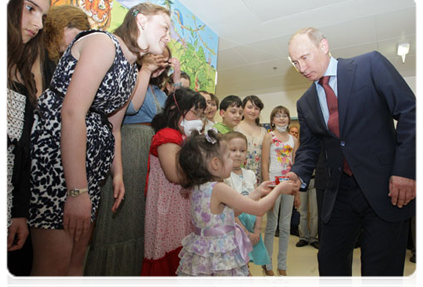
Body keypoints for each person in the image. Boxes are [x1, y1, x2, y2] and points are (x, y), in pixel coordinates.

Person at [27, 2, 172, 287]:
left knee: (77, 260)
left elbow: (114, 128)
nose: (169, 37)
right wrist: (77, 190)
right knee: (52, 266)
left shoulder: (131, 68)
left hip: (92, 168)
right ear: (141, 20)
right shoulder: (104, 43)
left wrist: (117, 173)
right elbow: (72, 113)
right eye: (165, 27)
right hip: (59, 160)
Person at [287, 27, 419, 287]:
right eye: (294, 63)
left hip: (385, 187)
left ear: (323, 46)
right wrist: (297, 173)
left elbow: (410, 113)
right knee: (330, 265)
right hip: (337, 195)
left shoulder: (369, 65)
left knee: (382, 272)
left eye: (304, 57)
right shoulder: (305, 102)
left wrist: (405, 171)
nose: (301, 68)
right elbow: (310, 148)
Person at [83, 47, 177, 286]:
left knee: (141, 220)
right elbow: (131, 108)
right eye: (157, 56)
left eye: (164, 60)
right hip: (130, 149)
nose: (160, 63)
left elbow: (177, 119)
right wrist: (146, 70)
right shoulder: (128, 76)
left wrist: (175, 79)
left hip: (153, 156)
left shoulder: (161, 91)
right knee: (124, 218)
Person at [175, 130, 299, 286]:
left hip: (204, 253)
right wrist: (279, 189)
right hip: (220, 255)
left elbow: (228, 213)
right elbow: (259, 209)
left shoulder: (198, 187)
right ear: (215, 163)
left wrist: (257, 192)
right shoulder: (219, 188)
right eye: (228, 156)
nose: (232, 159)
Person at [140, 88, 207, 287]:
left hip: (183, 207)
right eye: (195, 112)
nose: (199, 118)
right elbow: (175, 175)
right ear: (175, 109)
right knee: (170, 256)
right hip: (168, 209)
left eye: (201, 114)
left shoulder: (184, 138)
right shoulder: (167, 135)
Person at [5, 0, 51, 287]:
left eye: (43, 16)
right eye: (30, 8)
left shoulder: (21, 74)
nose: (37, 24)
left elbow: (23, 152)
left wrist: (19, 213)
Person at [223, 131, 271, 285]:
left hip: (252, 226)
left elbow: (258, 204)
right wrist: (245, 232)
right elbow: (230, 211)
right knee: (237, 262)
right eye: (233, 150)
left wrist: (257, 230)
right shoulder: (225, 177)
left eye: (242, 151)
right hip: (236, 228)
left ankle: (246, 273)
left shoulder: (250, 174)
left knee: (247, 260)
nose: (238, 154)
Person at [261, 106, 300, 287]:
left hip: (289, 185)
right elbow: (265, 163)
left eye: (285, 115)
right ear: (273, 119)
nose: (282, 118)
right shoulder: (269, 136)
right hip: (274, 185)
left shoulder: (293, 139)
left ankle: (282, 267)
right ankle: (267, 266)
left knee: (285, 226)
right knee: (271, 225)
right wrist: (268, 187)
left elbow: (296, 165)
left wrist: (296, 191)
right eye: (278, 115)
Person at [42, 4, 91, 88]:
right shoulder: (36, 49)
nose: (75, 43)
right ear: (62, 25)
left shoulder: (59, 61)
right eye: (76, 36)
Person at [235, 95, 267, 185]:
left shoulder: (264, 131)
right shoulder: (235, 127)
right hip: (238, 173)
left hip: (258, 176)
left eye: (256, 108)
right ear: (243, 108)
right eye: (249, 107)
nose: (253, 111)